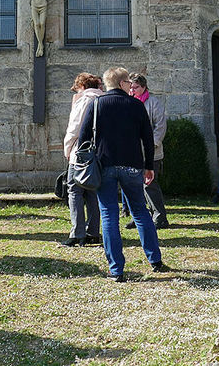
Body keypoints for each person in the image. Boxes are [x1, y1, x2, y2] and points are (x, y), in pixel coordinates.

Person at [77, 67, 167, 281]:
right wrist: (149, 166)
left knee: (108, 214)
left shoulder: (96, 104)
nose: (131, 86)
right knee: (140, 211)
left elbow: (83, 138)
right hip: (132, 165)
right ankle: (155, 260)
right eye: (128, 82)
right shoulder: (136, 105)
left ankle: (116, 269)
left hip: (104, 165)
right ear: (121, 83)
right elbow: (147, 138)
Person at [61, 72, 104, 246]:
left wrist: (67, 149)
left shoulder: (85, 100)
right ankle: (93, 231)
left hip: (81, 151)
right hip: (99, 151)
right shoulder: (104, 99)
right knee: (92, 190)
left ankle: (77, 233)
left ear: (83, 86)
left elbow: (74, 128)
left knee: (75, 190)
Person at [126, 73, 170, 229]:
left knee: (149, 184)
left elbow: (160, 126)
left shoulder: (153, 103)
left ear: (143, 87)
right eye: (130, 87)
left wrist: (153, 144)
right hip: (133, 152)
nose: (132, 89)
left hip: (151, 152)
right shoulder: (129, 103)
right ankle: (139, 216)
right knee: (134, 185)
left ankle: (159, 216)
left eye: (135, 87)